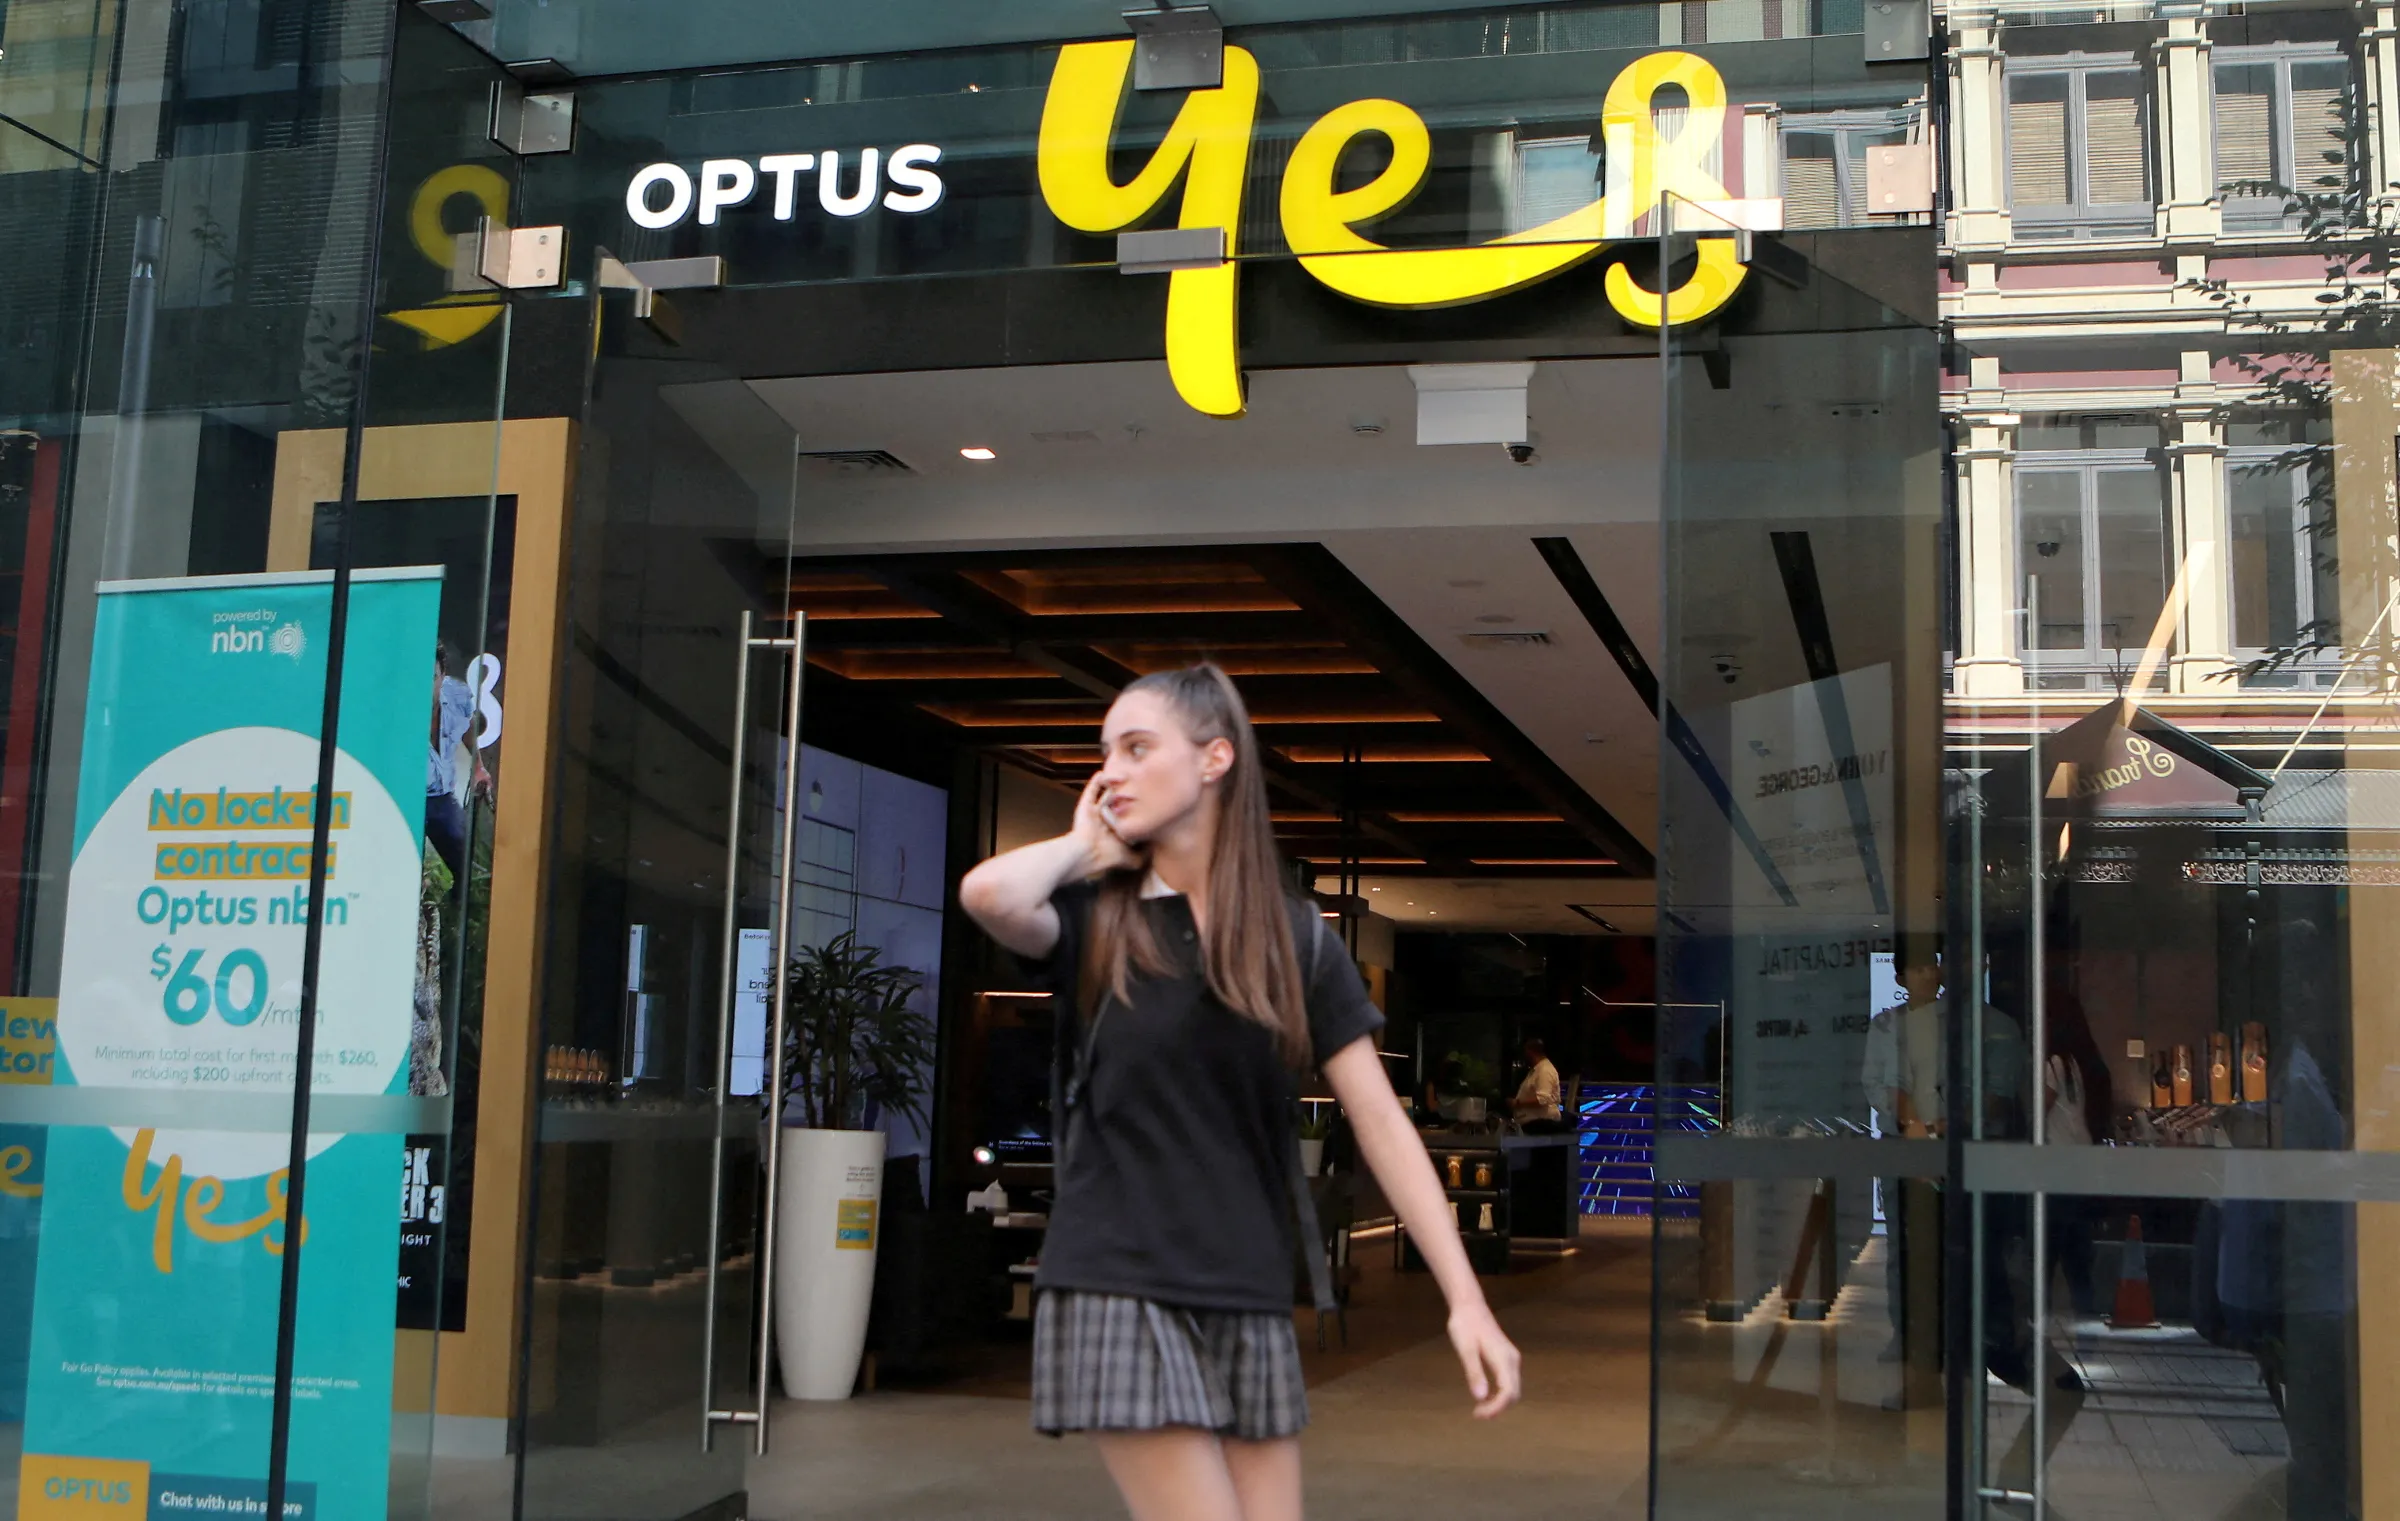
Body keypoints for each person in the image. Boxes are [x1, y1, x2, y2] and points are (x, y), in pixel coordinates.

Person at [960, 663, 1521, 1521]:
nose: (1112, 769)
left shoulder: (1294, 937)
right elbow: (987, 894)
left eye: (1139, 747)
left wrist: (1467, 1298)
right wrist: (1087, 845)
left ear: (1215, 757)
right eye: (1105, 751)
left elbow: (1379, 1120)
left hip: (1245, 1280)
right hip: (1117, 1274)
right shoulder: (1096, 915)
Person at [1510, 1036, 1563, 1130]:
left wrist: (1517, 1102)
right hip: (1529, 1122)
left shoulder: (1545, 1070)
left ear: (1530, 1051)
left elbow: (1542, 1099)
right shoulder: (1535, 1070)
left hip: (1541, 1123)